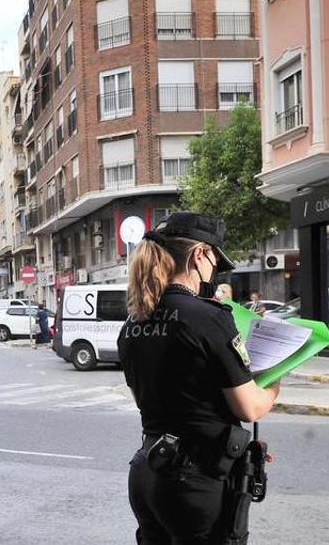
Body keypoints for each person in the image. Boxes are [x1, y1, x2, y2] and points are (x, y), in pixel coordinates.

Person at [119, 212, 281, 544]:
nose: (213, 272)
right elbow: (249, 408)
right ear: (198, 255)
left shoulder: (134, 323)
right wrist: (277, 376)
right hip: (195, 481)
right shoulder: (208, 318)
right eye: (214, 262)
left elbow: (149, 399)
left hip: (148, 473)